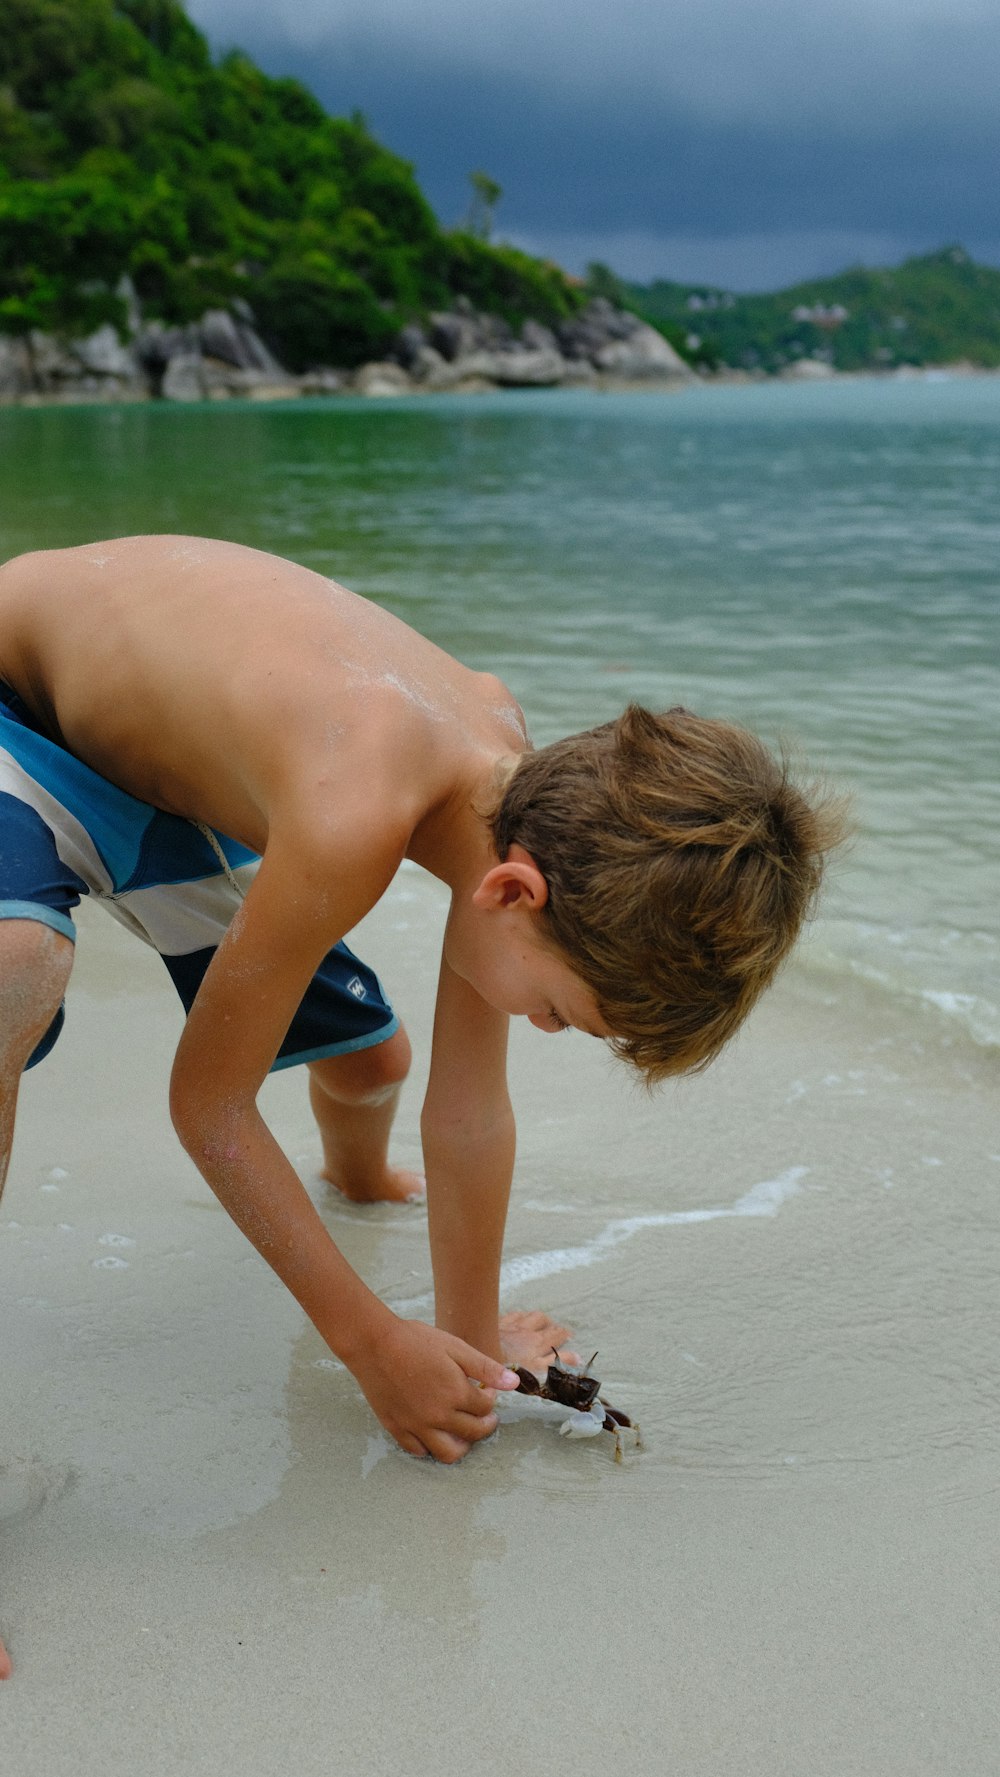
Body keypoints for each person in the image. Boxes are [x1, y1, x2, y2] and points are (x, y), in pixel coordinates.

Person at [0, 535, 841, 1672]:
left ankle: (352, 1179)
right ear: (513, 893)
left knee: (370, 1068)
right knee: (18, 971)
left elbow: (466, 1103)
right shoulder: (359, 808)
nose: (539, 1029)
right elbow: (209, 1110)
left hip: (151, 781)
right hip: (21, 714)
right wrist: (367, 1339)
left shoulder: (515, 793)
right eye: (560, 1014)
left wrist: (462, 1329)